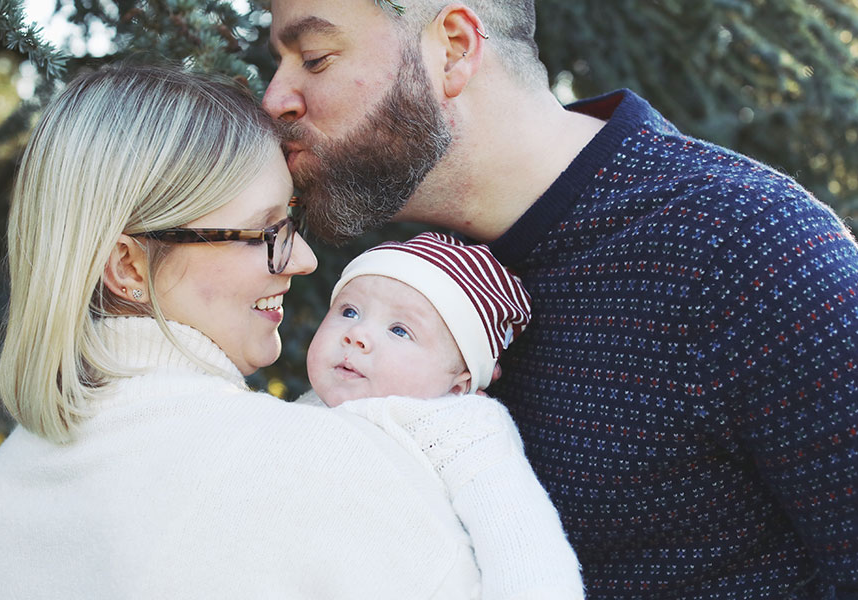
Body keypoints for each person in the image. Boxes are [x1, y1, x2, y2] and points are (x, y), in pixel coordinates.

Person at [262, 1, 858, 597]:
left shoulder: (748, 248)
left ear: (453, 47)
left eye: (314, 58)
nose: (274, 99)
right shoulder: (400, 275)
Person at [0, 63, 496, 599]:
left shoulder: (9, 485)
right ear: (129, 266)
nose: (304, 260)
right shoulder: (324, 466)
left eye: (290, 222)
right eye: (266, 232)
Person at [304, 231, 585, 599]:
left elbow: (525, 548)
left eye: (400, 330)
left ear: (458, 384)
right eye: (349, 311)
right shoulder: (305, 410)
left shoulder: (463, 430)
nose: (357, 334)